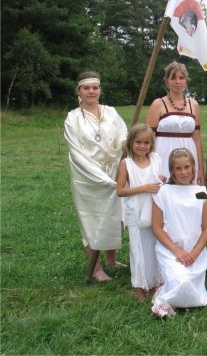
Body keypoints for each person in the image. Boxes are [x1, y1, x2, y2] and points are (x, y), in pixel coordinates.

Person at [63, 71, 128, 281]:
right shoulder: (73, 118)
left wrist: (126, 145)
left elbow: (122, 136)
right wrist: (101, 178)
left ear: (100, 89)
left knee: (115, 216)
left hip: (114, 170)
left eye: (95, 87)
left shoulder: (111, 112)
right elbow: (76, 152)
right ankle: (97, 269)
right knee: (91, 219)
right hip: (87, 176)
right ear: (78, 91)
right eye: (86, 88)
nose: (91, 91)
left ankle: (111, 259)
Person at [151, 148, 207, 318]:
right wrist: (178, 251)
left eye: (187, 167)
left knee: (192, 294)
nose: (183, 172)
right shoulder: (163, 192)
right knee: (182, 283)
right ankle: (162, 300)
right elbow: (156, 227)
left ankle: (164, 290)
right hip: (171, 251)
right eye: (178, 168)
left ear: (193, 167)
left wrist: (194, 253)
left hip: (195, 253)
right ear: (171, 171)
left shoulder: (201, 193)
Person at [116, 124, 164, 300]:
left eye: (146, 143)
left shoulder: (156, 160)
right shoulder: (126, 164)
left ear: (151, 144)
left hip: (154, 210)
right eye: (138, 142)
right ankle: (139, 287)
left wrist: (161, 179)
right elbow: (120, 191)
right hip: (135, 212)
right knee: (138, 249)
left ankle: (154, 284)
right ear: (131, 143)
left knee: (153, 248)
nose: (142, 146)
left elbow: (157, 180)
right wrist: (143, 188)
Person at [146, 61, 204, 184]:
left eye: (181, 78)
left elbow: (197, 138)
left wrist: (201, 168)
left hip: (189, 154)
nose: (177, 81)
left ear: (186, 81)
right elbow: (149, 138)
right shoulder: (158, 104)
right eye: (173, 78)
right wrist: (149, 166)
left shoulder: (194, 105)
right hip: (163, 155)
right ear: (166, 81)